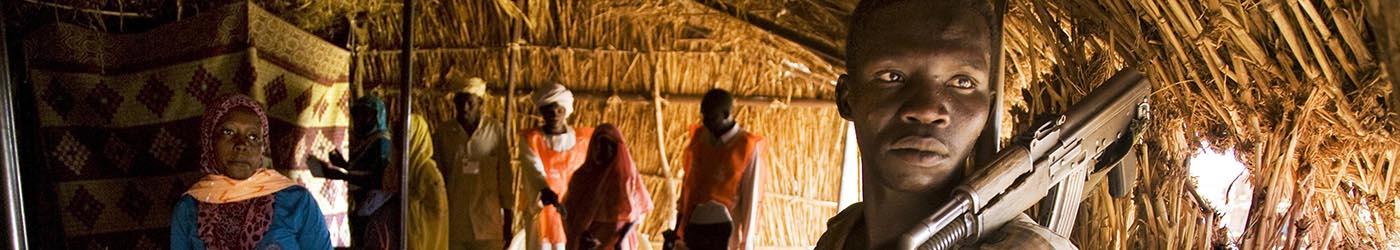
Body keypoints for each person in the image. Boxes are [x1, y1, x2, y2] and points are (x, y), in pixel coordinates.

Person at [814, 0, 1076, 249]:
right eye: (892, 77)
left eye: (962, 82)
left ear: (989, 111)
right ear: (847, 98)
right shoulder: (841, 235)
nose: (927, 110)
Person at [170, 95, 332, 249]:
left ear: (263, 147)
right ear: (209, 141)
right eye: (228, 132)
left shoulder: (296, 201)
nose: (241, 144)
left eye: (253, 137)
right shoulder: (189, 207)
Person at [673, 89, 765, 250]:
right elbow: (687, 184)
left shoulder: (746, 146)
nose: (706, 121)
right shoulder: (699, 137)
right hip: (693, 230)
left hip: (725, 234)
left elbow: (750, 197)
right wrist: (678, 226)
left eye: (711, 117)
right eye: (704, 116)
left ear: (727, 114)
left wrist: (746, 244)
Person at [434, 76, 514, 250]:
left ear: (480, 103)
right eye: (460, 102)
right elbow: (437, 178)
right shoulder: (444, 133)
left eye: (470, 102)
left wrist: (508, 219)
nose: (464, 108)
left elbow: (505, 176)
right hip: (455, 222)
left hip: (488, 222)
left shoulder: (494, 131)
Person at [516, 83, 593, 250]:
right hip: (542, 207)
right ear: (541, 112)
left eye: (559, 110)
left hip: (574, 210)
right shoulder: (532, 139)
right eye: (548, 111)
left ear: (566, 111)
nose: (554, 115)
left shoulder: (582, 140)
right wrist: (546, 192)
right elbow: (533, 169)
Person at [361, 114, 450, 250]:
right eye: (395, 134)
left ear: (414, 136)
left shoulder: (428, 172)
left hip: (421, 242)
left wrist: (401, 200)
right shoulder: (396, 166)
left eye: (401, 134)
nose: (396, 139)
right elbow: (384, 185)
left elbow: (435, 219)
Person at [562, 124, 653, 250]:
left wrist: (621, 240)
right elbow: (570, 210)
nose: (605, 150)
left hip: (616, 241)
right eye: (600, 145)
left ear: (618, 148)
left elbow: (635, 216)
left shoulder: (626, 178)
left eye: (610, 145)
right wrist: (582, 235)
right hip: (588, 241)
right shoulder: (582, 176)